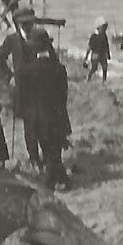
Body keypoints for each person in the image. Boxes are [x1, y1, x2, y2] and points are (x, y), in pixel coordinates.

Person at [19, 28, 72, 189]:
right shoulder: (59, 68)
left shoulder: (26, 71)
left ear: (33, 48)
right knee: (54, 149)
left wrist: (24, 115)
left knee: (47, 147)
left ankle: (52, 179)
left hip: (37, 116)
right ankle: (59, 176)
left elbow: (23, 97)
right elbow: (64, 95)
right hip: (57, 114)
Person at [84, 19, 111, 83]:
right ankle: (88, 78)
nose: (105, 29)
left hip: (102, 53)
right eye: (103, 28)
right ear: (99, 28)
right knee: (94, 68)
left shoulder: (104, 36)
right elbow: (89, 47)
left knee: (105, 67)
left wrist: (108, 53)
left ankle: (104, 81)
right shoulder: (94, 36)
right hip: (95, 53)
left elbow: (107, 46)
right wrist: (86, 56)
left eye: (105, 28)